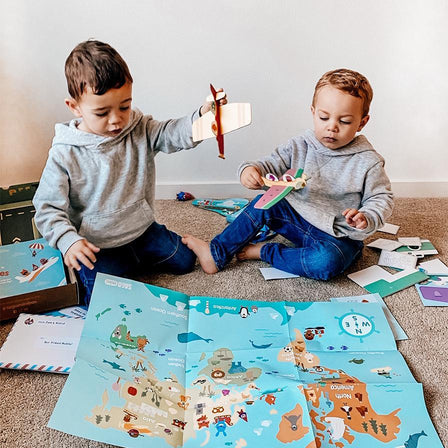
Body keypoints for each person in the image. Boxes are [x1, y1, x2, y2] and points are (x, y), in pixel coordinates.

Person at [33, 40, 220, 304]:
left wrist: (201, 118)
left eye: (124, 106)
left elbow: (170, 133)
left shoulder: (138, 128)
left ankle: (161, 252)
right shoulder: (65, 152)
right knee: (102, 301)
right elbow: (47, 207)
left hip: (141, 229)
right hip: (99, 244)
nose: (116, 119)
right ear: (74, 107)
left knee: (184, 262)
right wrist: (68, 241)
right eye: (101, 112)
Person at [182, 69, 394, 280]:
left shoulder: (368, 161)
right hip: (297, 219)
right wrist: (251, 170)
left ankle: (264, 251)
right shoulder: (300, 145)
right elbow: (269, 164)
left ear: (362, 122)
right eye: (324, 117)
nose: (332, 127)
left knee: (326, 262)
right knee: (263, 202)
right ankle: (216, 253)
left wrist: (366, 217)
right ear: (313, 112)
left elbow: (381, 198)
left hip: (338, 236)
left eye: (345, 121)